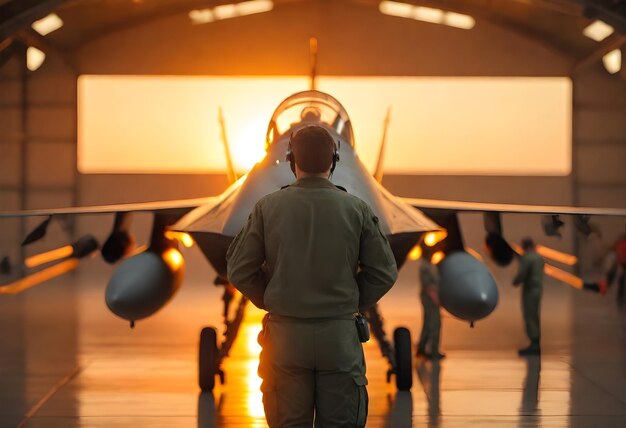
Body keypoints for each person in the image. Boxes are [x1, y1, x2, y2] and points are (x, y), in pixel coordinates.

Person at [226, 125, 398, 427]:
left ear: (292, 161)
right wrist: (351, 302)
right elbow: (384, 272)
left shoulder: (267, 208)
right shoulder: (356, 208)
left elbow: (239, 269)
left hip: (285, 340)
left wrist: (270, 299)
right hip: (339, 340)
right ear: (334, 161)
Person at [513, 238, 545, 356]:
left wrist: (515, 282)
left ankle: (534, 344)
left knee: (530, 315)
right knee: (535, 314)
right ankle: (535, 342)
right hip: (538, 289)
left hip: (530, 289)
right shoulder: (538, 258)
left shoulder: (527, 258)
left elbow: (522, 274)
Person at [416, 254, 445, 359]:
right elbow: (429, 286)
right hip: (429, 300)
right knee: (434, 324)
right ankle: (433, 351)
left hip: (429, 299)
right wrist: (436, 299)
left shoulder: (428, 265)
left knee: (428, 324)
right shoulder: (426, 267)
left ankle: (422, 349)